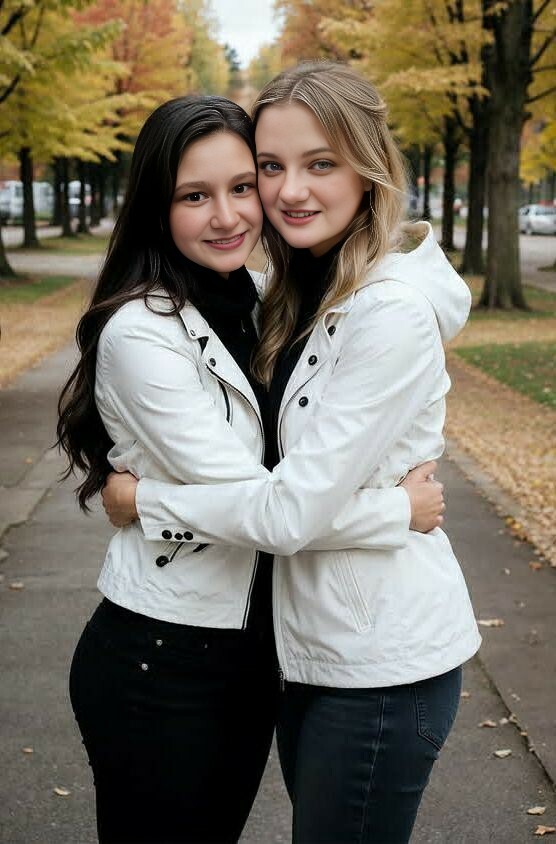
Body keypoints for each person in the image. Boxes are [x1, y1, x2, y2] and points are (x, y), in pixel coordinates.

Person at [103, 63, 482, 844]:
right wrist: (395, 508)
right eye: (271, 167)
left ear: (368, 168)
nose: (290, 191)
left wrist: (144, 501)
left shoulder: (389, 313)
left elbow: (286, 513)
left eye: (321, 163)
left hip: (381, 662)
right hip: (310, 654)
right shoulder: (295, 292)